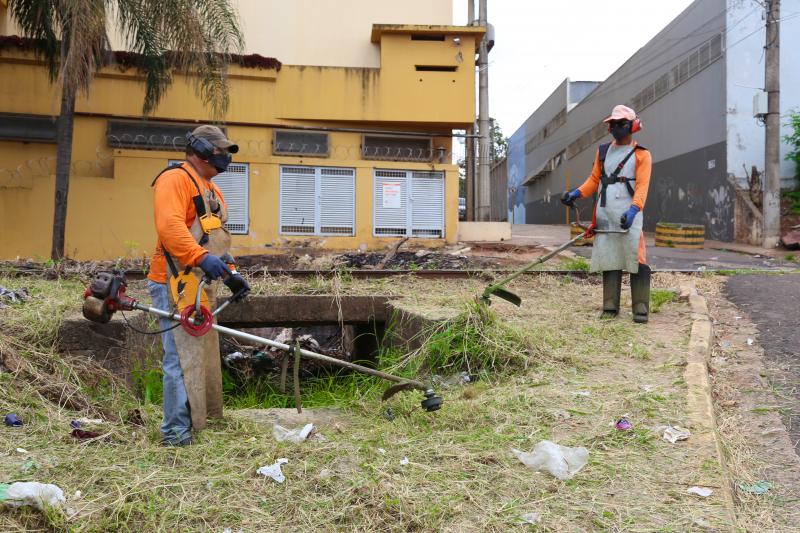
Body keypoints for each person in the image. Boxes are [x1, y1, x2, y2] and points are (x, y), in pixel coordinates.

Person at [147, 125, 250, 445]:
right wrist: (201, 258)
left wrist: (229, 271)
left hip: (200, 282)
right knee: (180, 357)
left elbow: (213, 237)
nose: (224, 158)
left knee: (201, 355)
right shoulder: (174, 179)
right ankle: (175, 433)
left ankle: (197, 421)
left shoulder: (210, 189)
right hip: (175, 280)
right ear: (202, 150)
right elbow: (170, 228)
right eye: (220, 151)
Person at [561, 105, 652, 323]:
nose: (616, 128)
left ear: (632, 126)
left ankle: (640, 309)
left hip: (629, 213)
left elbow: (642, 186)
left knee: (636, 258)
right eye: (613, 124)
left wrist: (634, 209)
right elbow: (594, 181)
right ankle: (610, 307)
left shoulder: (642, 155)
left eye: (621, 124)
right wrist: (576, 193)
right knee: (609, 258)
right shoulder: (603, 152)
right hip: (605, 212)